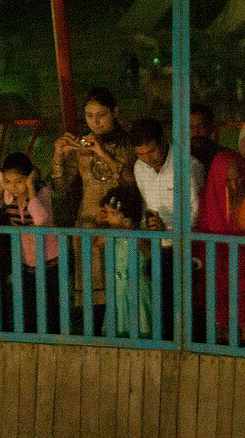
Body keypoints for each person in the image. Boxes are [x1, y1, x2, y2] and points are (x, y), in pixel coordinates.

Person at [52, 87, 137, 323]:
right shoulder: (81, 147)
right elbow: (59, 188)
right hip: (88, 225)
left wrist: (102, 153)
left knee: (122, 287)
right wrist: (59, 155)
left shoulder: (127, 144)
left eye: (101, 115)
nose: (95, 122)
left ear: (114, 112)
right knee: (92, 291)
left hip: (119, 224)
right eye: (89, 116)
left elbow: (130, 182)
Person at [195, 150, 245, 342]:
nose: (234, 185)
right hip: (217, 263)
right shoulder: (209, 197)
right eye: (228, 181)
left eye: (238, 178)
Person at [0, 153, 59, 333]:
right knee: (29, 310)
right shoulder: (7, 195)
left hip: (50, 260)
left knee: (50, 310)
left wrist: (31, 189)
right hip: (25, 261)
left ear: (29, 177)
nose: (14, 186)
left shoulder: (42, 191)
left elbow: (41, 219)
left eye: (19, 181)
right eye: (9, 181)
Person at [94, 184, 151, 338]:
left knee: (141, 322)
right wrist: (100, 224)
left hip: (138, 289)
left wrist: (133, 236)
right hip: (118, 290)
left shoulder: (140, 235)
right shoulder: (110, 235)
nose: (108, 217)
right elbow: (96, 241)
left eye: (113, 213)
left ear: (127, 217)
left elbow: (150, 253)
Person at [131, 117, 203, 233]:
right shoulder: (139, 167)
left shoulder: (188, 166)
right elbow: (146, 206)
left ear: (163, 140)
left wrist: (168, 231)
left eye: (151, 151)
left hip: (184, 241)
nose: (147, 159)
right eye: (140, 154)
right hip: (154, 239)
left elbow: (196, 211)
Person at [189, 103, 223, 174]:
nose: (196, 132)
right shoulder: (178, 157)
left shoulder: (222, 156)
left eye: (202, 126)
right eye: (191, 127)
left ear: (211, 127)